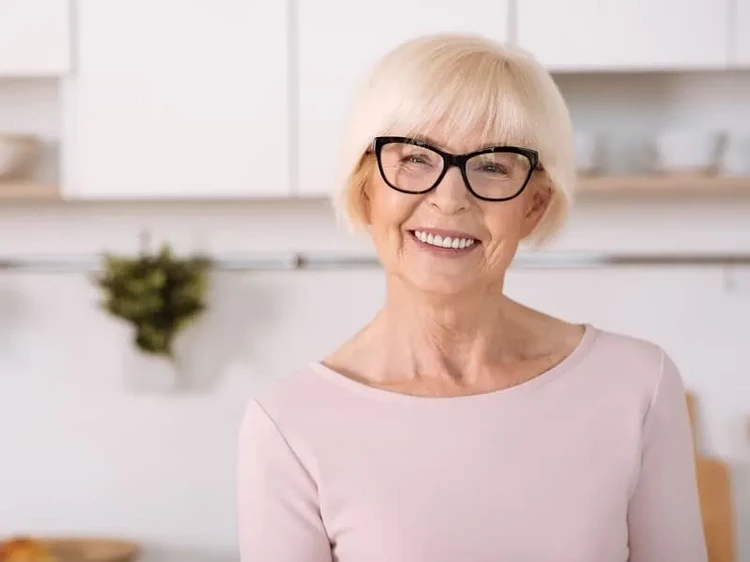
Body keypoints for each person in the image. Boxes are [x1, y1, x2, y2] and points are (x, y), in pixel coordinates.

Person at [237, 33, 707, 561]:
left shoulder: (639, 386)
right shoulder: (289, 424)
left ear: (534, 205)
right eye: (415, 157)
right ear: (366, 186)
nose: (449, 198)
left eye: (492, 165)